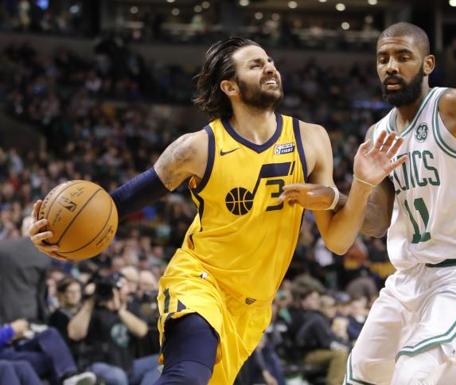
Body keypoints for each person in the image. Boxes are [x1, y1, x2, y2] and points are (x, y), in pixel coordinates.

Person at [29, 37, 404, 385]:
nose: (271, 68)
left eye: (270, 61)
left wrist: (358, 186)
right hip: (199, 280)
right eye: (256, 65)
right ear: (230, 86)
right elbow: (116, 204)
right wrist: (49, 232)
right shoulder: (196, 148)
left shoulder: (311, 138)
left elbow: (338, 241)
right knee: (187, 376)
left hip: (253, 306)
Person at [282, 22, 456, 384]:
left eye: (403, 57)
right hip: (408, 279)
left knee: (416, 370)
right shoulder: (378, 134)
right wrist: (338, 198)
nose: (391, 66)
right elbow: (377, 223)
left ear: (428, 64)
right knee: (362, 375)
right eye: (383, 58)